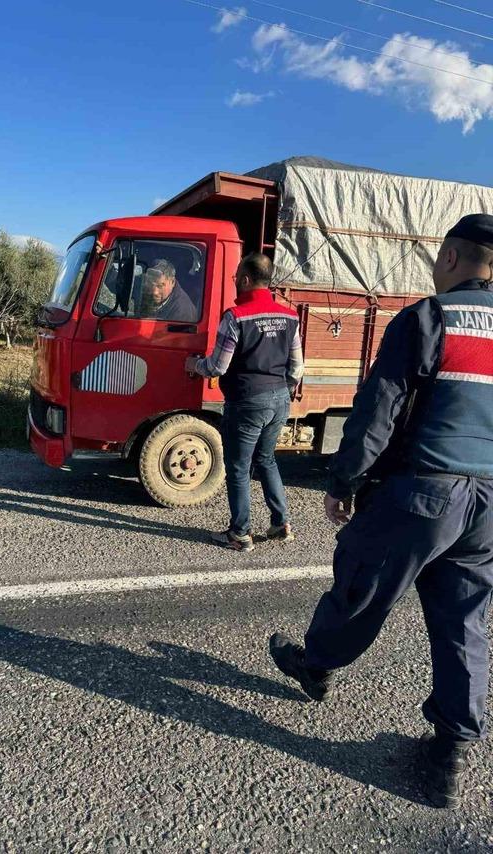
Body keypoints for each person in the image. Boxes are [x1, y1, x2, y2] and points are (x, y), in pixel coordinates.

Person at [268, 214, 493, 810]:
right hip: (490, 504)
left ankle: (316, 664)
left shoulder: (429, 317)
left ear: (450, 258)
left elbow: (378, 412)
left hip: (424, 492)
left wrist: (344, 481)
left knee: (363, 585)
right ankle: (450, 754)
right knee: (464, 619)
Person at [186, 252, 304, 552]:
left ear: (246, 279)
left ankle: (239, 534)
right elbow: (297, 369)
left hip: (247, 401)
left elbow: (217, 367)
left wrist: (194, 365)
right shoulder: (290, 317)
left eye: (236, 276)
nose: (235, 280)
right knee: (266, 459)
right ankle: (281, 524)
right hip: (280, 399)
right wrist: (280, 390)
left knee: (238, 468)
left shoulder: (236, 317)